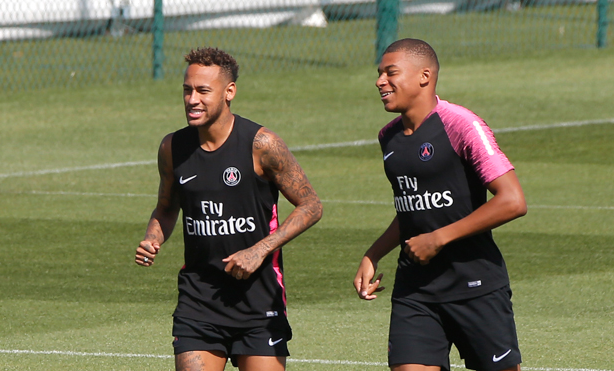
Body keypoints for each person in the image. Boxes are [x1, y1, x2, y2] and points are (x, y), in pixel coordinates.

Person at [135, 47, 322, 371]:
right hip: (199, 302)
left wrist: (259, 250)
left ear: (229, 92)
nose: (192, 99)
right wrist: (153, 237)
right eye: (187, 90)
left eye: (203, 91)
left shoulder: (261, 145)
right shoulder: (172, 148)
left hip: (258, 302)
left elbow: (311, 205)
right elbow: (166, 207)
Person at [353, 38, 527, 371]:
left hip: (474, 285)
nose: (379, 82)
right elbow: (412, 209)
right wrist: (373, 254)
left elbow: (512, 201)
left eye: (391, 73)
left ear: (424, 76)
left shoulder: (462, 125)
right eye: (379, 74)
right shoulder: (387, 137)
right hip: (415, 289)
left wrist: (439, 238)